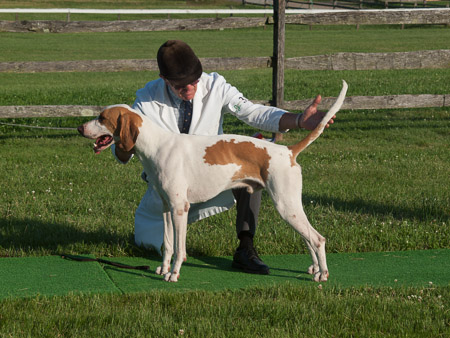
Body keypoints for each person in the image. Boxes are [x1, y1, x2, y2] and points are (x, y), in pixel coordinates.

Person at [113, 40, 334, 275]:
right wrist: (118, 140)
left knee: (248, 154)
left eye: (194, 81)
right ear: (164, 78)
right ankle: (171, 250)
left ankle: (245, 248)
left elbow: (253, 113)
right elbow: (124, 154)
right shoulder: (145, 100)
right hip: (163, 195)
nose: (190, 88)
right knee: (146, 243)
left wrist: (298, 120)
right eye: (181, 85)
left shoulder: (215, 85)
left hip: (211, 182)